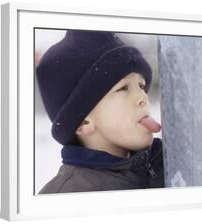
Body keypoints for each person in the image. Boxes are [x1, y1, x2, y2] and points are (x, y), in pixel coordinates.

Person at [36, 30, 164, 193]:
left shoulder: (167, 166)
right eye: (123, 88)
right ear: (83, 121)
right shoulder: (65, 198)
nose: (142, 97)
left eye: (141, 85)